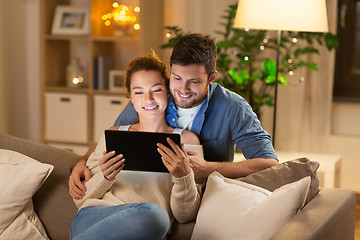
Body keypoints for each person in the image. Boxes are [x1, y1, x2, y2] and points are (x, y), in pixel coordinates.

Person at [69, 33, 278, 200]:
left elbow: (270, 164)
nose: (183, 89)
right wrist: (82, 162)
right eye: (177, 78)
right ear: (170, 70)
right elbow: (113, 138)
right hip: (151, 196)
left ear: (211, 77)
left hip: (199, 197)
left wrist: (209, 168)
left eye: (194, 82)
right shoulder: (152, 97)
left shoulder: (233, 108)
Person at [70, 53, 202, 240]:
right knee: (155, 216)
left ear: (168, 92)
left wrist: (183, 177)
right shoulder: (114, 135)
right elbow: (80, 200)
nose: (148, 99)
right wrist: (104, 177)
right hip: (95, 218)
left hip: (146, 225)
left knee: (157, 216)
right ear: (130, 97)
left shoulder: (187, 141)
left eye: (156, 90)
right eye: (139, 92)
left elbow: (186, 215)